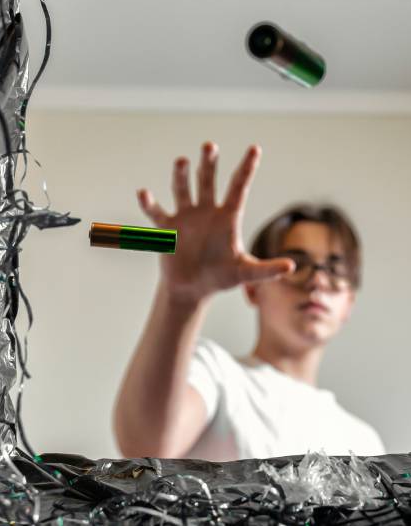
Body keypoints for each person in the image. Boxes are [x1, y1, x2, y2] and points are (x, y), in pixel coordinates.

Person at [113, 142, 384, 461]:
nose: (318, 281)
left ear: (348, 303)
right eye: (297, 264)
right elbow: (146, 448)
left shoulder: (364, 442)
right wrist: (183, 298)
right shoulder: (217, 374)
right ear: (254, 288)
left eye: (335, 269)